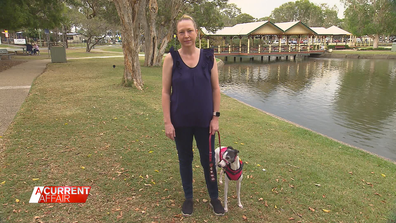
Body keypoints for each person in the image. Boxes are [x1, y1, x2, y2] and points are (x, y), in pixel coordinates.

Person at [161, 14, 224, 216]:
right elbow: (165, 92)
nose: (186, 35)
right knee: (185, 159)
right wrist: (167, 122)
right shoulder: (171, 59)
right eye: (182, 32)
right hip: (180, 122)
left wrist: (215, 117)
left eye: (190, 30)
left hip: (205, 122)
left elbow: (216, 89)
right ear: (177, 35)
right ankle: (188, 198)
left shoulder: (208, 57)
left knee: (208, 161)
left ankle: (214, 198)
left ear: (196, 32)